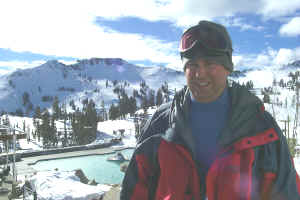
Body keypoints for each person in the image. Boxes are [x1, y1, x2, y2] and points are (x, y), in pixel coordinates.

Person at [120, 20, 300, 200]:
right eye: (193, 65)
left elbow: (287, 190)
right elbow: (135, 188)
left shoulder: (261, 126)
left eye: (210, 64)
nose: (200, 74)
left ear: (227, 68)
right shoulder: (162, 122)